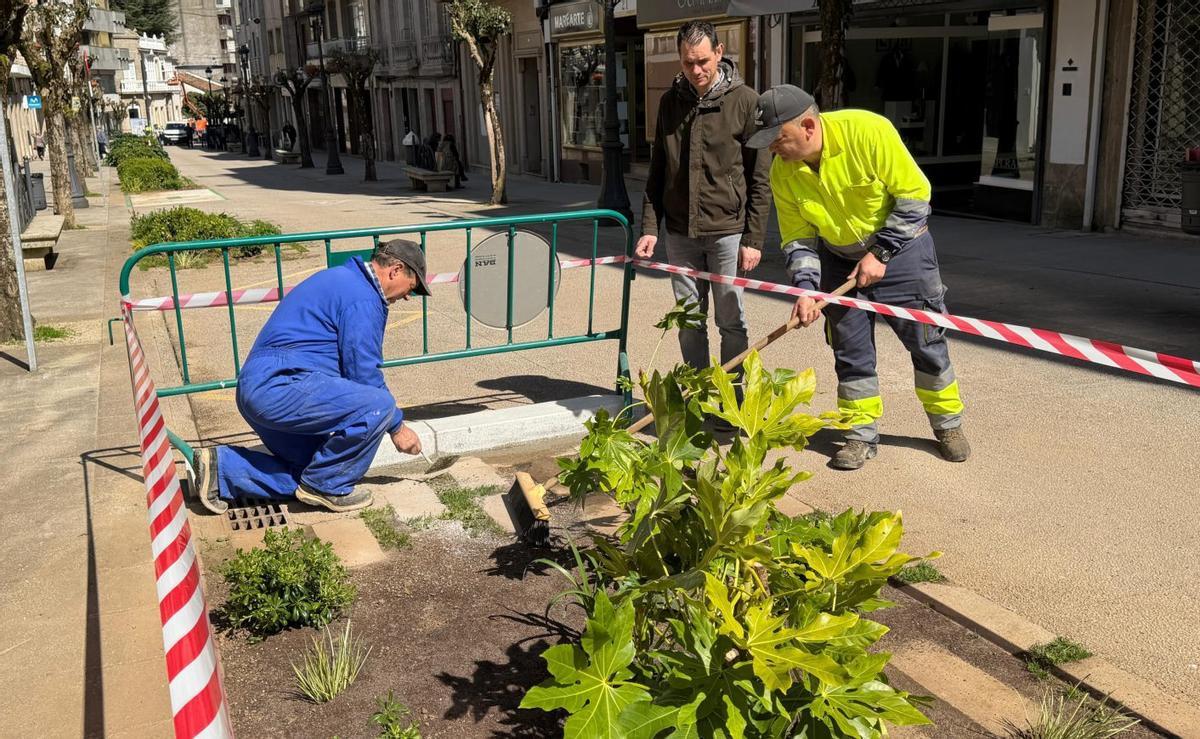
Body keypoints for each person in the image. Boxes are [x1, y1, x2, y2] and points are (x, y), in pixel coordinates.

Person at [745, 84, 970, 470]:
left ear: (808, 128)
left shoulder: (867, 131)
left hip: (904, 255)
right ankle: (860, 434)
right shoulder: (783, 172)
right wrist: (806, 290)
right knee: (850, 351)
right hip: (838, 259)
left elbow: (915, 195)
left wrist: (880, 252)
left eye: (778, 140)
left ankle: (947, 424)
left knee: (927, 344)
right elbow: (798, 239)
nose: (773, 151)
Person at [189, 240, 431, 513]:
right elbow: (363, 373)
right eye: (412, 287)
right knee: (380, 405)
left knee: (313, 469)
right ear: (395, 270)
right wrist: (397, 427)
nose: (408, 297)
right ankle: (328, 487)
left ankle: (221, 470)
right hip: (281, 387)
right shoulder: (364, 298)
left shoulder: (343, 279)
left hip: (259, 387)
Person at [634, 21, 771, 394]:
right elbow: (658, 170)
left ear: (719, 52)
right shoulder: (670, 102)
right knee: (689, 321)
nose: (695, 70)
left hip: (727, 232)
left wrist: (753, 239)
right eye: (687, 62)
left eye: (703, 61)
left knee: (731, 321)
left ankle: (731, 397)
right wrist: (650, 228)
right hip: (680, 233)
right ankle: (699, 394)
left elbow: (760, 178)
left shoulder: (746, 101)